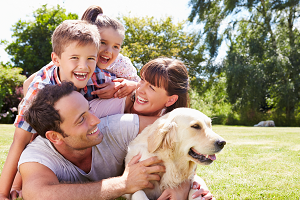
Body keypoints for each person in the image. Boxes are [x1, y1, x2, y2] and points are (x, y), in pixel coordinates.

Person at [18, 81, 214, 200]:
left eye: (89, 110)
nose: (96, 121)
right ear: (54, 137)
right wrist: (123, 184)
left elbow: (180, 131)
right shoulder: (37, 156)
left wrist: (184, 184)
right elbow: (39, 195)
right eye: (81, 119)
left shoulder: (116, 127)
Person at [0, 20, 102, 200]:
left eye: (90, 59)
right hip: (46, 100)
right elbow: (19, 141)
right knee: (33, 134)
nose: (84, 66)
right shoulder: (38, 91)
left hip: (72, 110)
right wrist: (3, 192)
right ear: (56, 60)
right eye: (75, 58)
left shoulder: (97, 74)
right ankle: (19, 181)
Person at [90, 57, 189, 118]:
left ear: (171, 100)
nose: (140, 89)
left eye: (151, 88)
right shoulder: (118, 98)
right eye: (142, 80)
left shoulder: (171, 130)